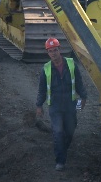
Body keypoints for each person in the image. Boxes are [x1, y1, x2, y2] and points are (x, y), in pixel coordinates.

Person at [35, 37, 86, 171]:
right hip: (55, 106)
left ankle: (62, 150)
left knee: (69, 132)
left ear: (60, 50)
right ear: (48, 53)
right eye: (51, 51)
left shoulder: (71, 64)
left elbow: (79, 82)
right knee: (58, 132)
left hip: (70, 105)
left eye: (55, 50)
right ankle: (60, 161)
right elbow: (42, 89)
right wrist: (39, 105)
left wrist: (83, 97)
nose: (53, 53)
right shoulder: (46, 69)